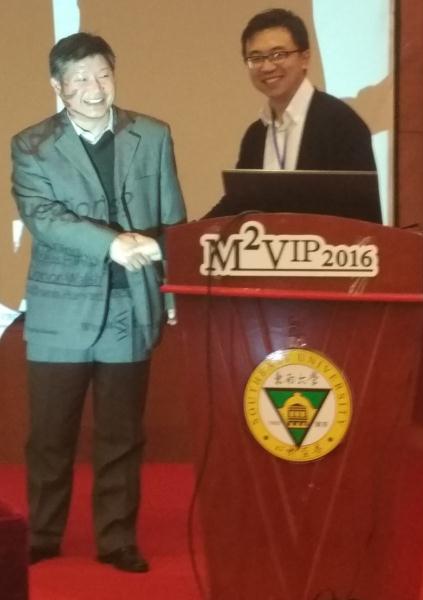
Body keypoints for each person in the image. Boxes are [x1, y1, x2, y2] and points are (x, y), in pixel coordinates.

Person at [11, 32, 186, 573]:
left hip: (130, 306)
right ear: (57, 86)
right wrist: (113, 244)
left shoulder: (152, 134)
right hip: (60, 311)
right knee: (50, 436)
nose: (94, 88)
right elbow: (44, 219)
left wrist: (171, 285)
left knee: (122, 434)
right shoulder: (31, 144)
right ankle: (43, 535)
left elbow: (172, 218)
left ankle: (116, 539)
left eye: (103, 75)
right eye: (80, 78)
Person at [205, 8, 378, 218]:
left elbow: (363, 211)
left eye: (278, 55)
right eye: (256, 58)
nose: (267, 67)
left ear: (305, 58)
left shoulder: (342, 124)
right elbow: (238, 203)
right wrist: (187, 232)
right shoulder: (255, 135)